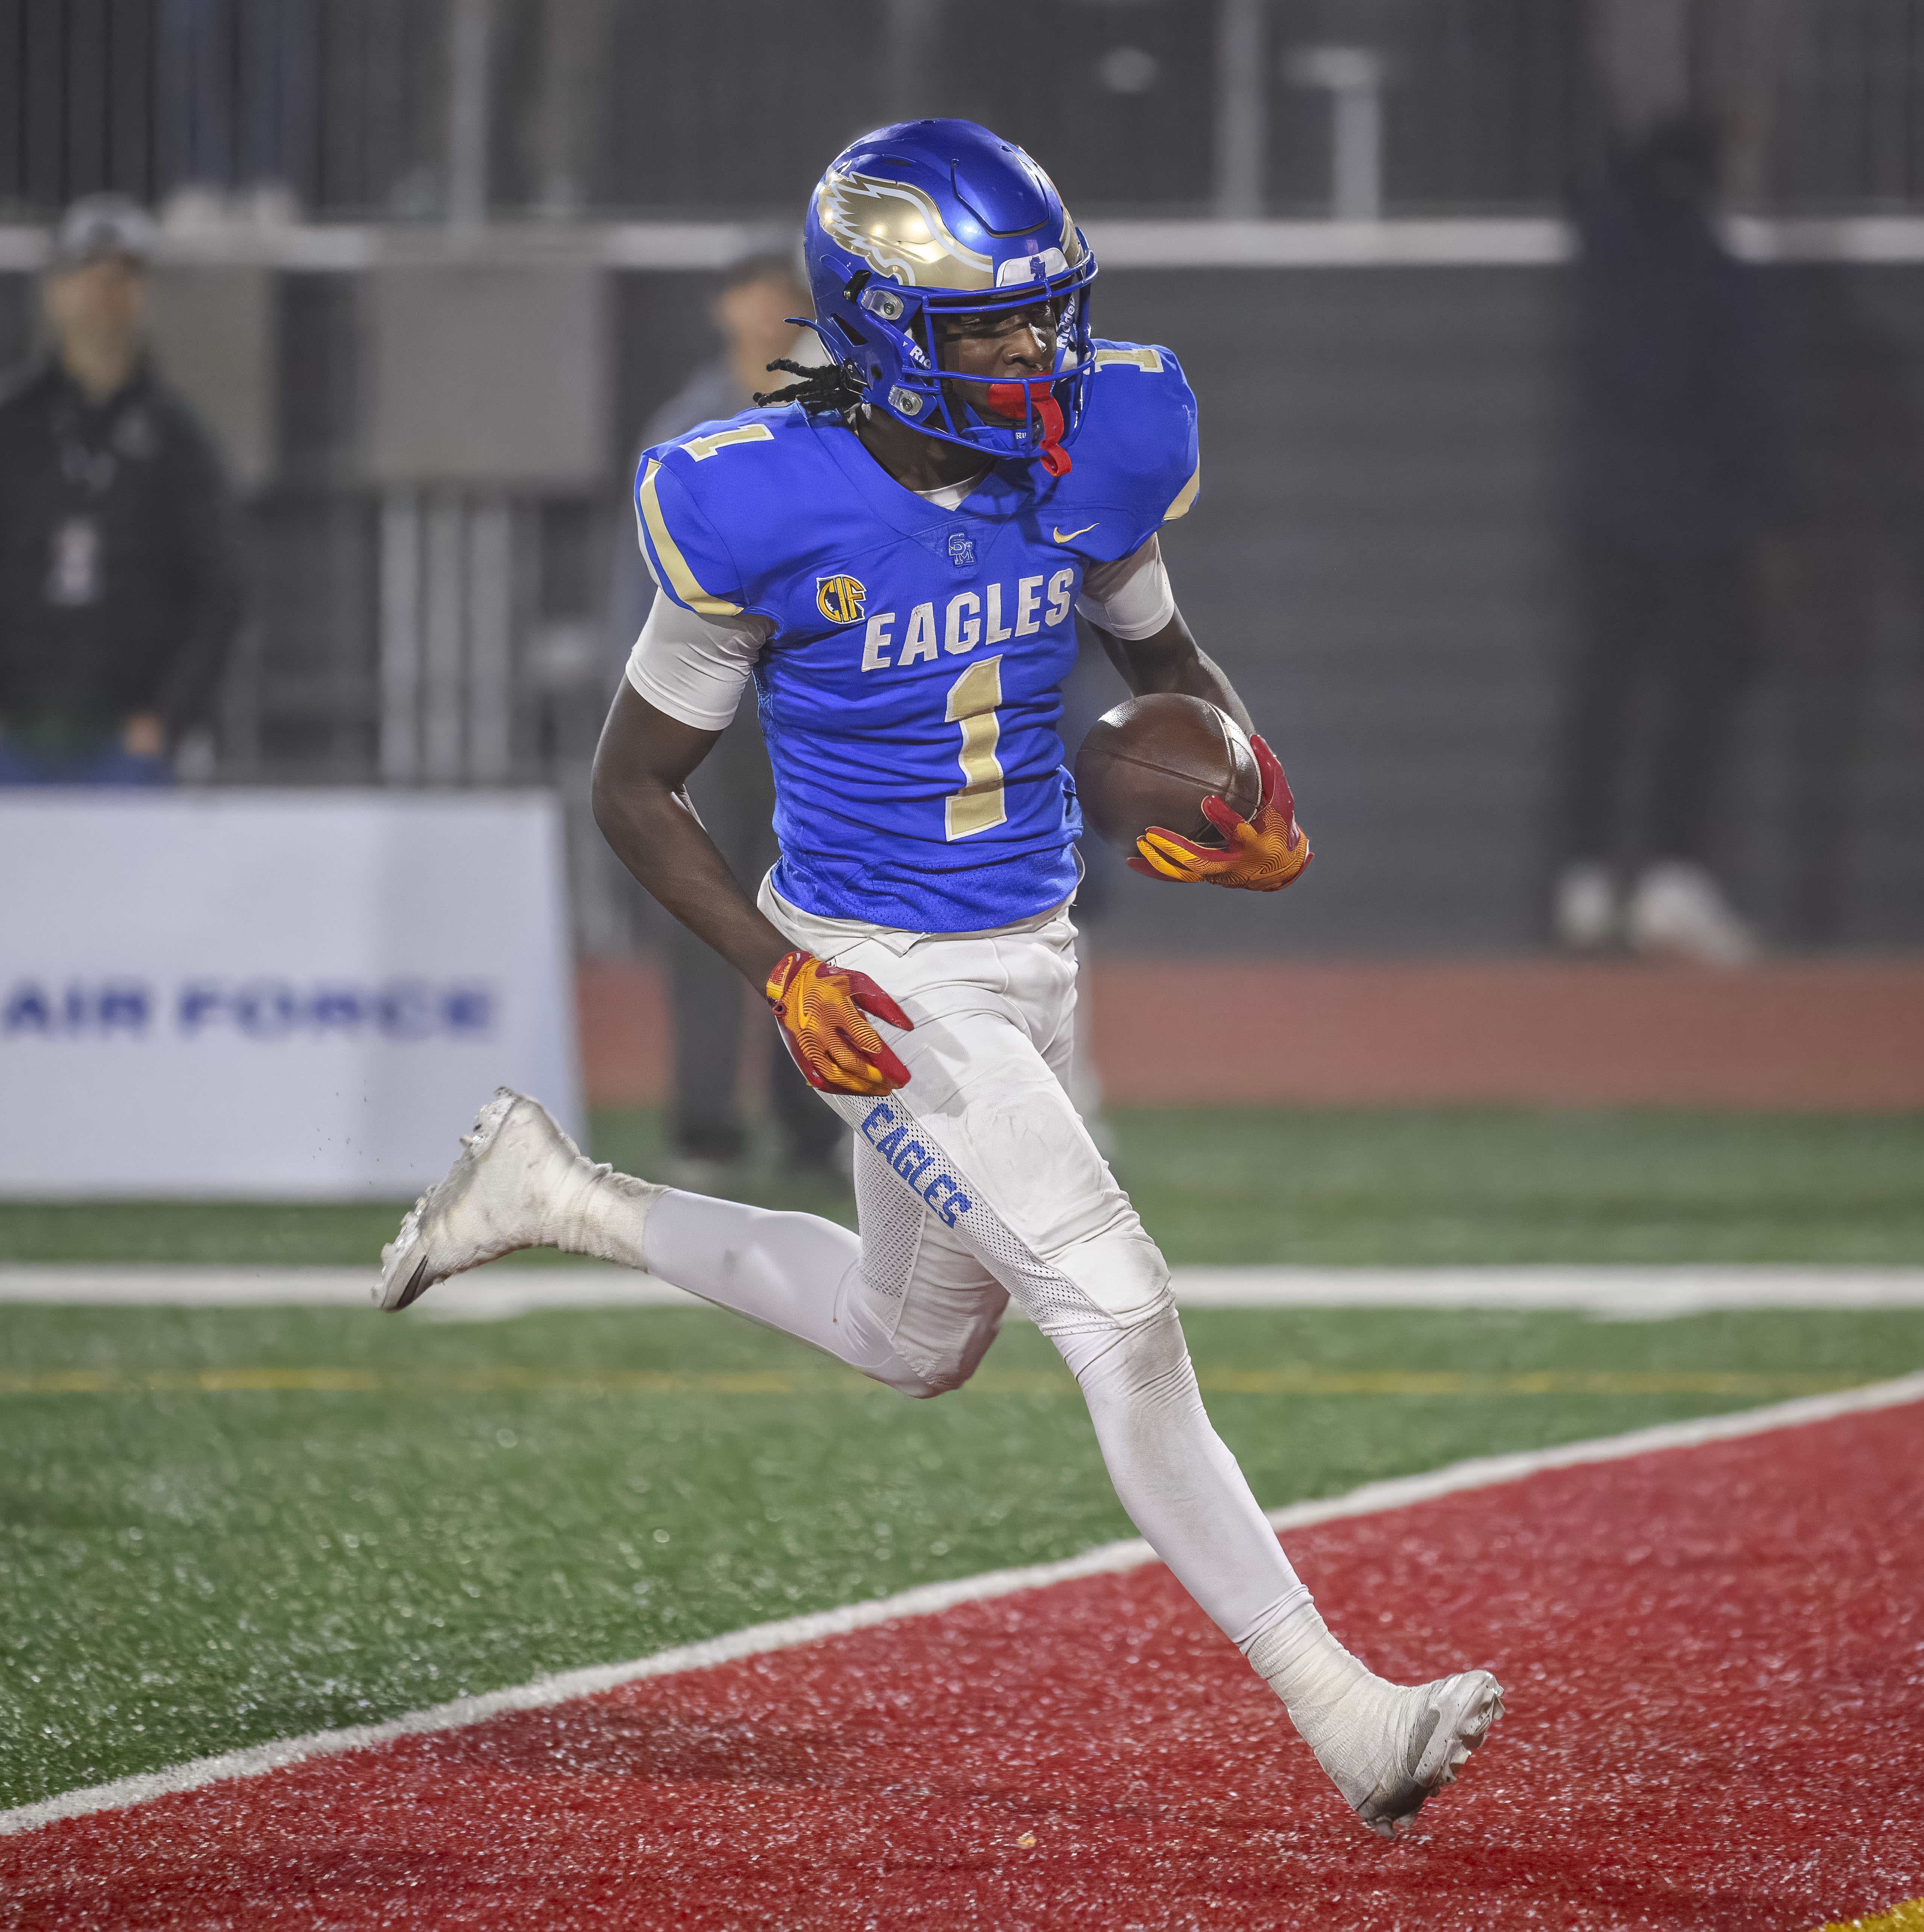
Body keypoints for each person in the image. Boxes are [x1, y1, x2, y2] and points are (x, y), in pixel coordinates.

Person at [377, 120, 1503, 1838]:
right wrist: (775, 974)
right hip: (877, 971)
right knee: (1114, 1308)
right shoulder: (753, 495)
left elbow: (1163, 662)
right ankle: (1340, 1706)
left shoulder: (1095, 446)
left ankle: (558, 1192)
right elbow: (630, 787)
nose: (1033, 353)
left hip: (1031, 944)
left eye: (1046, 316)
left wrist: (1244, 785)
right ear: (887, 321)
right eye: (988, 328)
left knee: (907, 1340)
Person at [619, 252, 847, 1185]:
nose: (766, 315)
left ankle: (818, 1121)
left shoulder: (851, 417)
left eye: (784, 299)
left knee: (821, 914)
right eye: (753, 296)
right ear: (725, 308)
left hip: (816, 707)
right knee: (705, 909)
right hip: (709, 703)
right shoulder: (686, 427)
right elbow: (636, 580)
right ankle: (706, 1123)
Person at [1550, 115, 1792, 965]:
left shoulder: (1602, 265)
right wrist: (1772, 517)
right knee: (1693, 710)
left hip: (1607, 521)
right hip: (1700, 530)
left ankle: (1583, 880)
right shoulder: (1717, 276)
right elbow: (1752, 410)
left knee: (1602, 704)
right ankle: (1669, 882)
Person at [0, 195, 246, 786]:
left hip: (129, 748)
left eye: (123, 278)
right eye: (88, 277)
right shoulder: (1, 426)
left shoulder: (179, 442)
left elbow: (219, 589)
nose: (105, 296)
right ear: (54, 291)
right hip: (10, 741)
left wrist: (168, 718)